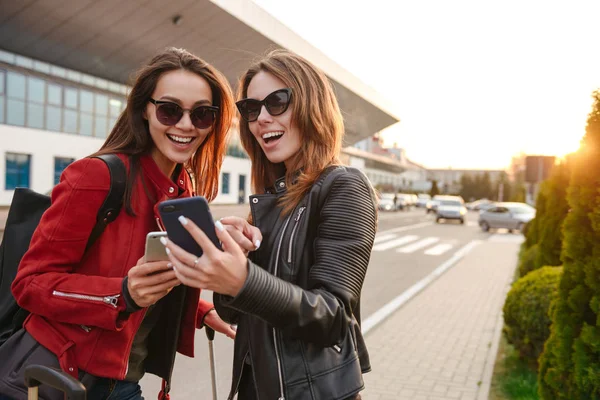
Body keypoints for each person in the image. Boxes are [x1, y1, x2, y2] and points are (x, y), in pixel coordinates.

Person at [0, 47, 235, 400]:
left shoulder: (181, 190)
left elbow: (155, 274)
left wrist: (201, 309)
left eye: (202, 114)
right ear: (145, 109)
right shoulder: (96, 176)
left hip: (123, 381)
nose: (186, 125)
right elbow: (30, 284)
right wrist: (121, 294)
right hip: (61, 377)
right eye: (170, 110)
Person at [162, 49, 378, 400]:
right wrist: (239, 262)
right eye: (250, 108)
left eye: (277, 102)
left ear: (311, 105)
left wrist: (245, 279)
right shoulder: (270, 199)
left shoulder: (344, 185)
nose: (261, 118)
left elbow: (334, 319)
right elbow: (234, 312)